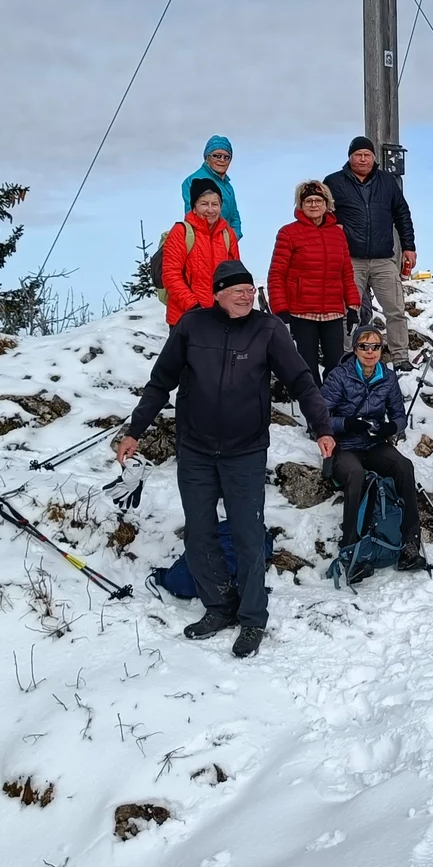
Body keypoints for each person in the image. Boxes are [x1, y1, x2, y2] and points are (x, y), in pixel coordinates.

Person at [118, 260, 333, 660]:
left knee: (248, 534)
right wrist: (135, 431)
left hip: (245, 451)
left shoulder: (268, 329)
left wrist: (321, 426)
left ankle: (252, 618)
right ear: (217, 293)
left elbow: (301, 379)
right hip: (196, 450)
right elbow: (161, 381)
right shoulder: (192, 326)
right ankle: (218, 607)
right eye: (237, 289)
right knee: (199, 533)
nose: (246, 294)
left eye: (250, 289)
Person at [319, 324, 425, 573]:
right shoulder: (339, 375)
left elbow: (399, 415)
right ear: (355, 349)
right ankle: (351, 550)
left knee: (403, 466)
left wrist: (389, 428)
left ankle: (410, 542)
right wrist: (347, 424)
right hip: (345, 446)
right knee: (356, 475)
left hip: (375, 443)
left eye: (375, 346)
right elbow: (320, 416)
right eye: (364, 346)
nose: (370, 352)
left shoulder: (387, 378)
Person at [326, 136, 416, 365]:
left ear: (374, 157)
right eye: (358, 154)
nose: (363, 159)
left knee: (395, 309)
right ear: (350, 157)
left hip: (384, 258)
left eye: (367, 154)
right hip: (349, 259)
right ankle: (346, 356)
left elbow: (402, 214)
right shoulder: (334, 182)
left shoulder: (387, 182)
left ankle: (400, 356)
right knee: (348, 310)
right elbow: (323, 214)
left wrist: (409, 246)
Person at [268, 180, 363, 383]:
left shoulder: (337, 234)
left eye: (318, 200)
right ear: (300, 205)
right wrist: (280, 310)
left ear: (327, 204)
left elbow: (346, 272)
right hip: (301, 311)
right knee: (306, 365)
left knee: (335, 364)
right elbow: (277, 274)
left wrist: (353, 306)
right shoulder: (288, 233)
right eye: (308, 201)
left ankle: (331, 406)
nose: (313, 205)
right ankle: (313, 409)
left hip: (333, 311)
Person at [163, 178, 241, 327]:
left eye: (215, 204)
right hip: (186, 317)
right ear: (194, 207)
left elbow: (235, 275)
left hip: (220, 316)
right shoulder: (181, 232)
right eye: (204, 204)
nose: (210, 210)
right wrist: (194, 307)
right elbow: (171, 275)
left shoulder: (228, 234)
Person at [181, 135, 242, 237]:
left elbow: (235, 216)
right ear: (206, 157)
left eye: (226, 157)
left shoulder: (228, 186)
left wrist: (233, 238)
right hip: (204, 243)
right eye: (217, 156)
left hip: (226, 245)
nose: (222, 160)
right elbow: (194, 217)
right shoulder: (193, 181)